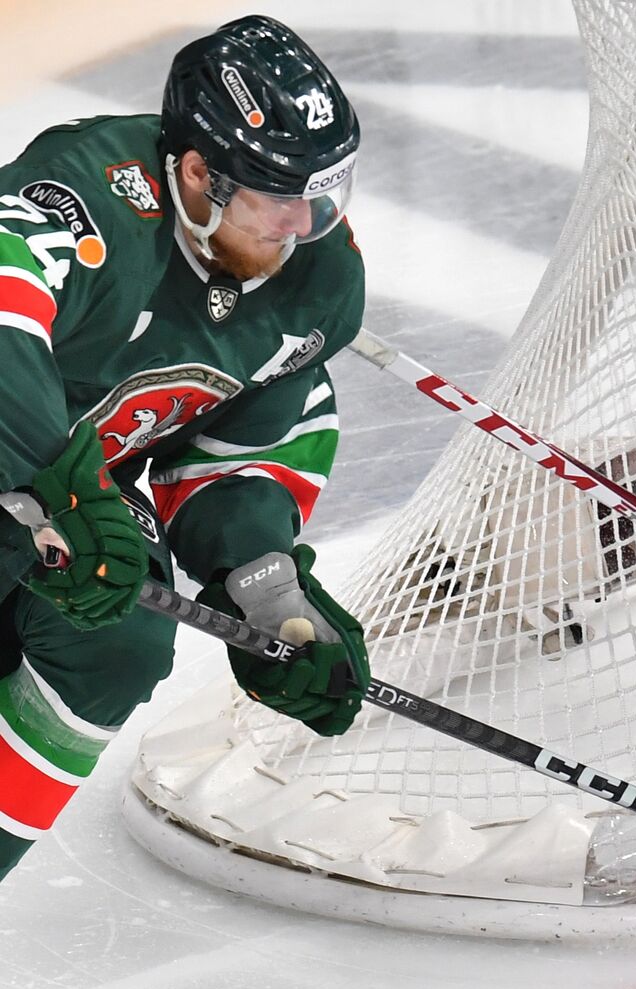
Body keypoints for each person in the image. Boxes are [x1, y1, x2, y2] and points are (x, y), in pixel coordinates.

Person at [0, 15, 373, 881]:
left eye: (321, 194)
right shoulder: (88, 191)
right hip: (25, 473)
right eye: (274, 197)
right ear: (198, 174)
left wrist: (263, 584)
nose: (299, 224)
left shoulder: (318, 280)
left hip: (43, 500)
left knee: (122, 627)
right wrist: (55, 488)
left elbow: (250, 436)